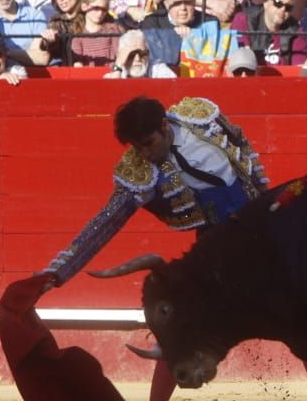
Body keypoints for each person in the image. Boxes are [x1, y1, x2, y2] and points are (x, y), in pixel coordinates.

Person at [43, 95, 270, 289]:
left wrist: (265, 193)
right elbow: (105, 223)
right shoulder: (140, 173)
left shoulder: (199, 117)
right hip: (219, 244)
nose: (146, 154)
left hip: (261, 217)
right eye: (137, 147)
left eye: (148, 143)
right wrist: (57, 272)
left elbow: (240, 142)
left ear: (164, 126)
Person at [108, 28, 176, 78]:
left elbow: (173, 85)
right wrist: (118, 67)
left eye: (142, 53)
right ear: (122, 56)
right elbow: (110, 92)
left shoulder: (157, 67)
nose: (137, 59)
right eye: (132, 54)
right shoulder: (117, 70)